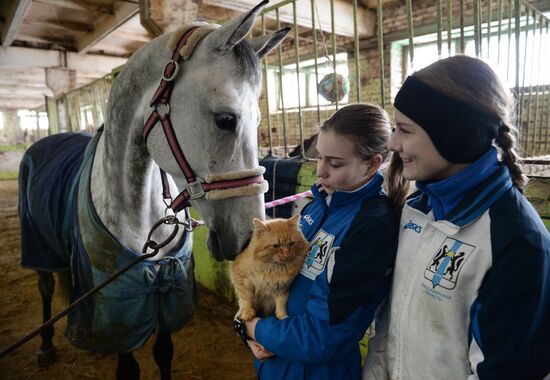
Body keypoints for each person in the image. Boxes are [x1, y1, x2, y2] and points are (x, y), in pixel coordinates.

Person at [363, 55, 550, 379]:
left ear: (454, 133)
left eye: (405, 129)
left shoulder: (516, 243)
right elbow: (391, 324)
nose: (393, 142)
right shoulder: (418, 207)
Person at [237, 103, 407, 379]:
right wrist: (246, 324)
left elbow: (320, 337)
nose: (320, 171)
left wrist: (253, 328)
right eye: (319, 157)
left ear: (373, 163)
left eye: (335, 163)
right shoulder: (317, 204)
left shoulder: (371, 227)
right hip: (275, 361)